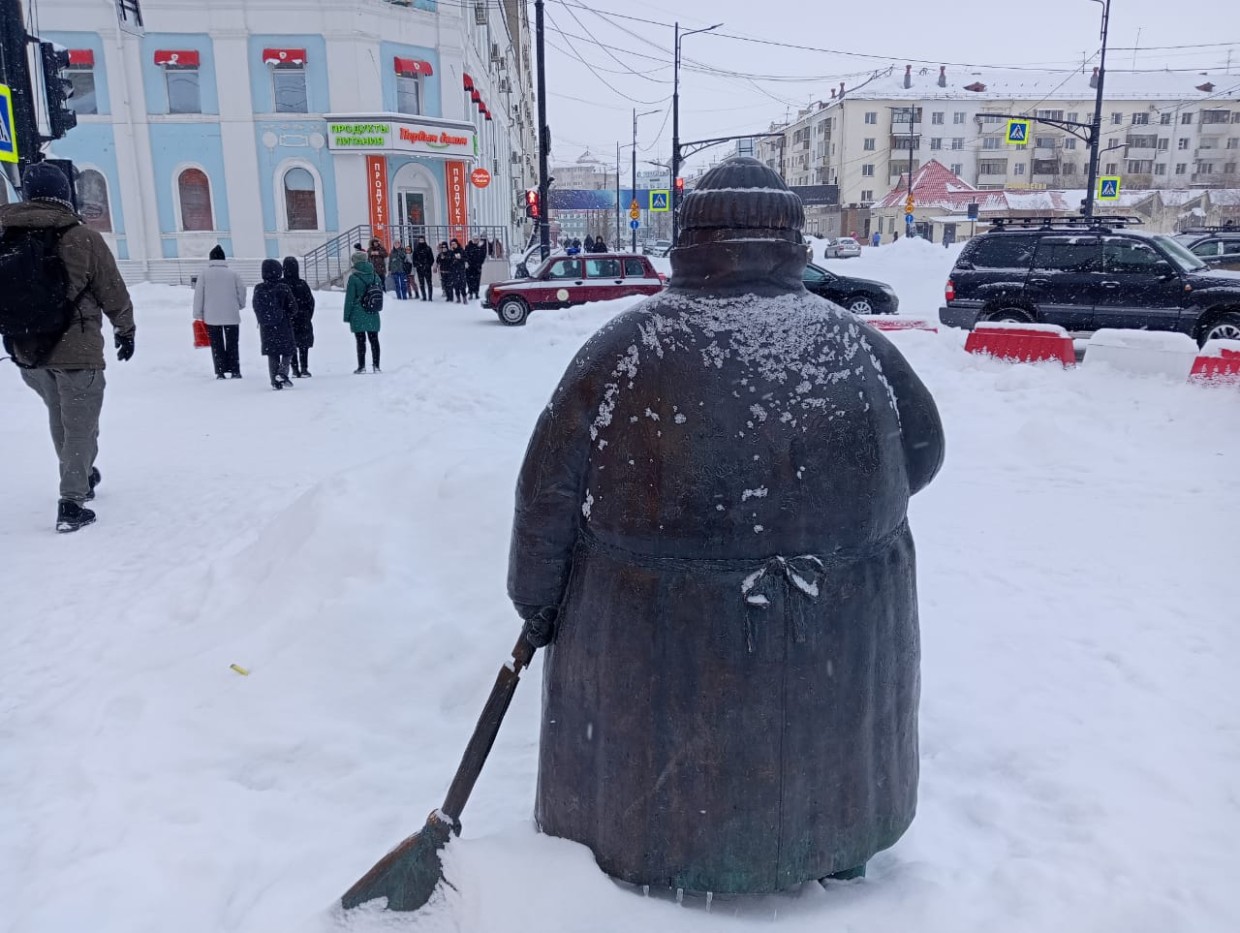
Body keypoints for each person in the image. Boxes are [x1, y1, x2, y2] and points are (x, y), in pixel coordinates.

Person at [507, 157, 944, 895]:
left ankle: (652, 847)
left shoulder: (622, 352)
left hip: (653, 711)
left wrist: (538, 601)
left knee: (659, 787)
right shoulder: (859, 348)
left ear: (689, 242)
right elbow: (925, 454)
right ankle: (839, 833)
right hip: (836, 660)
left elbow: (544, 497)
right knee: (821, 764)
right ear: (793, 243)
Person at [1, 162, 136, 533]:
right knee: (79, 422)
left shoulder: (5, 231)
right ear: (64, 193)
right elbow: (112, 289)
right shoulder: (82, 237)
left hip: (28, 348)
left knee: (60, 414)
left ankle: (82, 472)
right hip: (76, 347)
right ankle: (72, 502)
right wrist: (126, 329)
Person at [192, 244, 246, 379]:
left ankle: (220, 371)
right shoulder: (233, 274)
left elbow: (199, 294)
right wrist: (240, 304)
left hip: (212, 315)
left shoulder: (204, 274)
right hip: (231, 314)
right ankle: (235, 370)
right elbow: (242, 290)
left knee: (217, 344)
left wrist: (198, 313)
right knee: (233, 343)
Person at [252, 259, 297, 390]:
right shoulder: (283, 287)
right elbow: (293, 307)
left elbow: (255, 306)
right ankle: (282, 372)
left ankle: (274, 382)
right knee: (288, 350)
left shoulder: (258, 288)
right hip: (283, 325)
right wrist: (285, 313)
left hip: (266, 327)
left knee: (273, 353)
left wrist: (263, 317)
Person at [344, 250, 382, 373]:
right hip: (372, 311)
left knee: (361, 341)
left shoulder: (353, 277)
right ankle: (376, 366)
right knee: (374, 339)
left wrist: (347, 316)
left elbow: (349, 298)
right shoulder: (375, 275)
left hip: (358, 312)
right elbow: (379, 292)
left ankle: (362, 367)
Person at [282, 256, 315, 377]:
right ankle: (304, 368)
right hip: (303, 318)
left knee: (292, 345)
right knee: (303, 345)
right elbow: (311, 302)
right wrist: (307, 315)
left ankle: (295, 369)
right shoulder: (302, 284)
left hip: (288, 319)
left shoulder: (282, 284)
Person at [412, 236, 435, 300]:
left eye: (422, 240)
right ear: (418, 240)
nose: (421, 241)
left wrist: (427, 265)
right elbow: (414, 260)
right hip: (419, 269)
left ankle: (430, 297)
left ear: (424, 240)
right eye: (420, 240)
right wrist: (418, 265)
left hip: (427, 269)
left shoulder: (428, 248)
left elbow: (432, 259)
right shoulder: (416, 249)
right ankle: (424, 297)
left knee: (429, 283)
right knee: (421, 283)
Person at [464, 236, 486, 300]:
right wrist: (467, 262)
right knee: (469, 280)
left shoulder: (480, 247)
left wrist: (480, 263)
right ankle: (470, 293)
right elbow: (465, 255)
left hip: (478, 267)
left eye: (477, 239)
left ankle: (476, 293)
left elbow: (483, 256)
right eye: (474, 239)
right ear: (472, 239)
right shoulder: (468, 247)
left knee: (477, 280)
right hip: (469, 267)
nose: (476, 240)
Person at [448, 238, 468, 303]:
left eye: (454, 244)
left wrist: (460, 258)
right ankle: (458, 298)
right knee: (455, 284)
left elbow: (466, 258)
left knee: (462, 284)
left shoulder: (461, 250)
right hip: (454, 271)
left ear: (457, 243)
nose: (453, 245)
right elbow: (448, 261)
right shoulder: (450, 252)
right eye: (452, 244)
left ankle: (464, 298)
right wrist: (453, 260)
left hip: (461, 270)